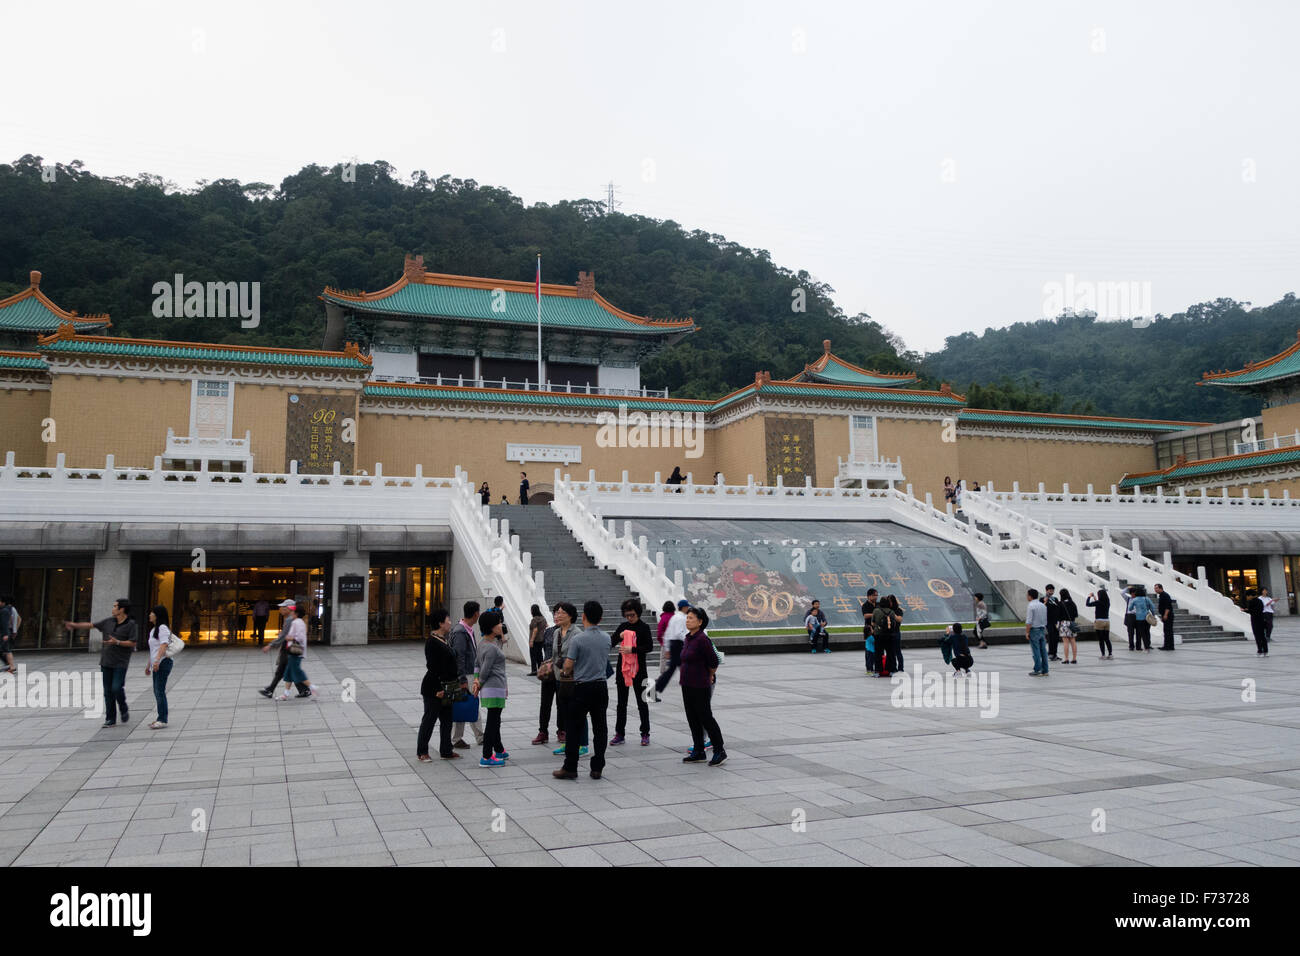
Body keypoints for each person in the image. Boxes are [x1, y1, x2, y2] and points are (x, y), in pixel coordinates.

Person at [553, 601, 610, 781]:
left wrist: (563, 670)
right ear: (600, 618)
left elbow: (568, 667)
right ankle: (597, 767)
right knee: (600, 728)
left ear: (583, 616)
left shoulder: (578, 639)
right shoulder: (606, 637)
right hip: (601, 686)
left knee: (573, 726)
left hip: (582, 687)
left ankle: (570, 767)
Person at [65, 597, 136, 727]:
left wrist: (117, 642)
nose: (113, 608)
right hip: (106, 662)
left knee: (116, 688)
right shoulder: (108, 622)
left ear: (122, 609)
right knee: (107, 691)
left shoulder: (131, 625)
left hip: (121, 662)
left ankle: (123, 707)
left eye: (115, 606)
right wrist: (74, 625)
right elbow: (91, 625)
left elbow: (133, 642)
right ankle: (110, 718)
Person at [679, 607, 726, 767]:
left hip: (700, 685)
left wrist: (710, 674)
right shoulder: (688, 638)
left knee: (706, 718)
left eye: (691, 618)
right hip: (687, 684)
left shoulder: (702, 639)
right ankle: (698, 750)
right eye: (687, 618)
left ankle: (719, 750)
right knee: (693, 718)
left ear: (700, 622)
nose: (688, 620)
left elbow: (714, 661)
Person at [417, 608, 462, 761]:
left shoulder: (444, 639)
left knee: (447, 720)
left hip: (448, 686)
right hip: (434, 688)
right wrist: (438, 689)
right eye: (448, 619)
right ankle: (422, 752)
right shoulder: (432, 642)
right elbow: (433, 667)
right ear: (440, 623)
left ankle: (446, 750)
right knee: (429, 720)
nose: (450, 622)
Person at [546, 602, 589, 756]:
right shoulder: (556, 633)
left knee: (578, 712)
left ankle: (583, 744)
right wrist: (550, 664)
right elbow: (555, 655)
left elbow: (579, 657)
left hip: (574, 678)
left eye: (561, 612)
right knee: (564, 711)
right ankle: (569, 743)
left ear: (570, 616)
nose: (557, 615)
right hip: (559, 678)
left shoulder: (577, 633)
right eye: (556, 612)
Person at [610, 598, 652, 747]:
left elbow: (649, 647)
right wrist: (619, 636)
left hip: (640, 671)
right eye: (627, 615)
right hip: (624, 670)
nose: (629, 618)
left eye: (632, 615)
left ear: (638, 613)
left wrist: (633, 649)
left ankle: (645, 733)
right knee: (621, 704)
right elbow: (611, 642)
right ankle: (619, 733)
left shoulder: (644, 627)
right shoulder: (623, 627)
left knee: (643, 703)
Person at [474, 610, 510, 767]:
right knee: (493, 722)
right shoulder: (491, 648)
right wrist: (478, 683)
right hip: (494, 686)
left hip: (490, 688)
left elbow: (476, 665)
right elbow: (485, 670)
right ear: (491, 627)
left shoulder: (483, 644)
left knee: (495, 720)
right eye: (498, 623)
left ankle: (499, 749)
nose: (501, 625)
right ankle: (487, 756)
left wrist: (476, 682)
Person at [450, 601, 485, 749]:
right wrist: (462, 679)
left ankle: (472, 737)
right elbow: (459, 657)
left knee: (468, 704)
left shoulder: (466, 629)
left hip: (470, 673)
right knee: (466, 704)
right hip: (466, 675)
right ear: (476, 614)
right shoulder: (460, 631)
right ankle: (462, 738)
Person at [259, 598, 310, 698]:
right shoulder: (291, 619)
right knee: (287, 670)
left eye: (283, 607)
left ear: (289, 609)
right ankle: (304, 689)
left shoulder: (290, 620)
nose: (280, 609)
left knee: (283, 670)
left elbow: (283, 636)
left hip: (289, 648)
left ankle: (270, 690)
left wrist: (270, 645)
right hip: (288, 647)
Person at [278, 604, 318, 698]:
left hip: (295, 652)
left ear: (296, 613)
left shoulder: (297, 622)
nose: (290, 613)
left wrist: (288, 637)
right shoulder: (298, 622)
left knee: (297, 672)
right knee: (288, 672)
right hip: (293, 651)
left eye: (292, 611)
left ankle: (312, 687)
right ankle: (286, 694)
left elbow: (299, 638)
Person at [145, 605, 175, 729]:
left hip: (163, 663)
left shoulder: (162, 628)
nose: (150, 615)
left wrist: (157, 661)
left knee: (159, 691)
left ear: (157, 615)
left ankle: (162, 719)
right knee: (157, 691)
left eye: (152, 613)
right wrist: (148, 665)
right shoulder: (154, 630)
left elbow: (163, 645)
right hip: (157, 663)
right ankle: (160, 718)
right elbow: (153, 649)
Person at [654, 599, 690, 694]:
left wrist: (666, 648)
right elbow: (679, 633)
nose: (688, 609)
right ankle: (657, 686)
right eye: (687, 607)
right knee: (677, 667)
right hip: (678, 644)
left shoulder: (675, 617)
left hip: (673, 644)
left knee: (676, 667)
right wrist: (688, 639)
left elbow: (667, 634)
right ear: (684, 607)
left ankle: (658, 686)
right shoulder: (681, 618)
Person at [654, 600, 675, 701]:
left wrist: (661, 641)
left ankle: (662, 675)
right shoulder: (675, 618)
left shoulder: (663, 618)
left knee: (663, 660)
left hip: (666, 643)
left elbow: (659, 633)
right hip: (676, 643)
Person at [1025, 588, 1048, 676]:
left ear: (1030, 596)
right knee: (1043, 650)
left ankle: (1037, 669)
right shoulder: (1043, 605)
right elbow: (1045, 619)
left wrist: (1027, 632)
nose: (1027, 597)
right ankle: (1045, 670)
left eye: (1027, 595)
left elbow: (1029, 621)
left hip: (1034, 630)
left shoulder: (1031, 606)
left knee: (1036, 651)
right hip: (1042, 629)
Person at [871, 598, 895, 677]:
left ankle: (877, 671)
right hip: (889, 635)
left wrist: (878, 626)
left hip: (878, 635)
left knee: (878, 653)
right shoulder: (892, 612)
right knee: (890, 653)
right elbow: (893, 624)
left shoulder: (876, 611)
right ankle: (891, 671)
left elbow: (873, 623)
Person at [1087, 586, 1113, 659]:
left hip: (1099, 622)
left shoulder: (1098, 603)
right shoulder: (1107, 602)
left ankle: (1103, 655)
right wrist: (1095, 598)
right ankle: (1110, 654)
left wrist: (1089, 597)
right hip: (1107, 621)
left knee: (1101, 639)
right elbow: (1098, 603)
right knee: (1107, 639)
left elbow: (1087, 604)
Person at [1128, 586, 1155, 653]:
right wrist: (1153, 615)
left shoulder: (1135, 600)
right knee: (1147, 632)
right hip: (1147, 618)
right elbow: (1152, 607)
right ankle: (1148, 646)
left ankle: (1146, 648)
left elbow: (1130, 608)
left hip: (1139, 619)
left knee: (1142, 633)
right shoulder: (1147, 599)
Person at [1058, 588, 1079, 664]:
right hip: (1072, 623)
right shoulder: (1072, 603)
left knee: (1065, 642)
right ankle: (1074, 658)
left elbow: (1058, 615)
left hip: (1064, 623)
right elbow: (1076, 614)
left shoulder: (1060, 603)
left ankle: (1066, 659)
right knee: (1073, 641)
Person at [886, 594, 905, 672]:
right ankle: (892, 668)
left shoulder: (898, 610)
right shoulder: (885, 609)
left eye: (889, 601)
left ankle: (900, 668)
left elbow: (899, 619)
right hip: (887, 633)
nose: (888, 603)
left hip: (896, 632)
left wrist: (891, 613)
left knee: (897, 651)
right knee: (890, 652)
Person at [1154, 583, 1175, 651]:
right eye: (1155, 588)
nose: (1155, 590)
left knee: (1168, 631)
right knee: (1167, 631)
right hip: (1165, 615)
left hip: (1168, 615)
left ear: (1160, 588)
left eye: (1156, 588)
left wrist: (1165, 615)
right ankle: (1169, 645)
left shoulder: (1165, 595)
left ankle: (1168, 646)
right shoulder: (1161, 595)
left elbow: (1168, 606)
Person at [527, 603, 546, 676]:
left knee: (533, 655)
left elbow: (535, 630)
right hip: (541, 639)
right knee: (539, 655)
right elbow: (546, 626)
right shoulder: (543, 618)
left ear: (533, 611)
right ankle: (540, 670)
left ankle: (534, 670)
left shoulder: (534, 619)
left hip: (534, 640)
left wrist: (531, 640)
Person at [862, 589, 878, 672]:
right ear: (869, 596)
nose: (876, 597)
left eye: (876, 595)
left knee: (877, 648)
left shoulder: (878, 605)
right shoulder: (865, 605)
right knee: (869, 649)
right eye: (874, 595)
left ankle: (877, 666)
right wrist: (876, 614)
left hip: (877, 629)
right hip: (868, 630)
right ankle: (869, 667)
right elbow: (865, 615)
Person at [1044, 584, 1062, 661]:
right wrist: (1046, 601)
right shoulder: (1043, 599)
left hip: (1056, 622)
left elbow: (1058, 609)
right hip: (1048, 621)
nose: (1051, 591)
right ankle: (1050, 653)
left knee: (1056, 638)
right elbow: (1042, 608)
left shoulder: (1055, 599)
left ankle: (1055, 654)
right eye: (1050, 590)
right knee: (1051, 637)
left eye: (1052, 590)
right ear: (1046, 590)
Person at [0, 595, 17, 673]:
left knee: (6, 650)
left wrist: (6, 634)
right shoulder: (5, 610)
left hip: (3, 634)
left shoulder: (4, 611)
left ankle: (11, 666)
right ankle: (10, 665)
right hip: (4, 633)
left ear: (3, 602)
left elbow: (5, 624)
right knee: (5, 650)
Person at [1123, 585, 1139, 651]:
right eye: (1131, 593)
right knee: (1130, 632)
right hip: (1130, 616)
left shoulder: (1139, 599)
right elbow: (1122, 593)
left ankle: (1138, 645)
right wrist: (1127, 588)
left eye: (1134, 593)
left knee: (1138, 632)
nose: (1133, 594)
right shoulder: (1128, 599)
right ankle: (1131, 646)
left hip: (1137, 616)